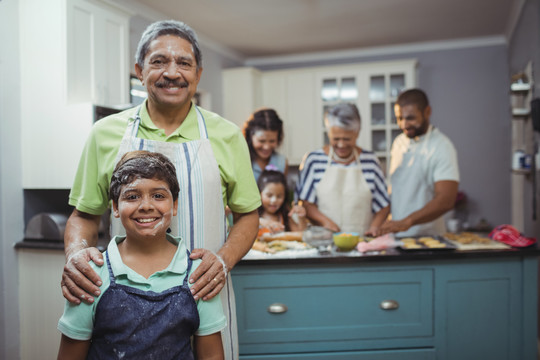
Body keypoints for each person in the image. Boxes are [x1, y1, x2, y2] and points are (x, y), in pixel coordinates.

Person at [60, 20, 260, 359]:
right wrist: (77, 255)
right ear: (139, 70)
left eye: (183, 63)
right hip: (120, 299)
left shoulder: (226, 135)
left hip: (203, 298)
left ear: (198, 73)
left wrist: (222, 262)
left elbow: (248, 216)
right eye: (158, 61)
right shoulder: (104, 133)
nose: (172, 72)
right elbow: (83, 215)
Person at [57, 151, 226, 360]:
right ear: (115, 207)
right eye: (132, 196)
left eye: (158, 195)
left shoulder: (199, 272)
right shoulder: (91, 273)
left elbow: (212, 356)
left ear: (174, 205)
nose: (146, 206)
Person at [295, 103, 390, 235]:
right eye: (336, 139)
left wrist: (374, 227)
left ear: (357, 133)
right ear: (328, 133)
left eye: (347, 139)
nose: (341, 144)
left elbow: (383, 206)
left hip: (361, 242)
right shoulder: (314, 160)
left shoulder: (370, 161)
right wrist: (326, 222)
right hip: (324, 239)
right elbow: (306, 203)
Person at [379, 88, 459, 237]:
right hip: (395, 235)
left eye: (410, 118)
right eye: (399, 118)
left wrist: (408, 221)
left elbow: (446, 200)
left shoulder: (442, 146)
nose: (404, 124)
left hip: (426, 237)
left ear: (427, 112)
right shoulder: (399, 142)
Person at [257, 169, 307, 235]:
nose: (274, 200)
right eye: (269, 195)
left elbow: (300, 233)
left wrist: (301, 217)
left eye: (279, 196)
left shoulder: (284, 215)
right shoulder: (254, 215)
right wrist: (261, 222)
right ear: (259, 194)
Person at [243, 108, 288, 181]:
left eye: (272, 141)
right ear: (250, 137)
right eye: (261, 141)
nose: (266, 147)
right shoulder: (242, 161)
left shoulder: (281, 163)